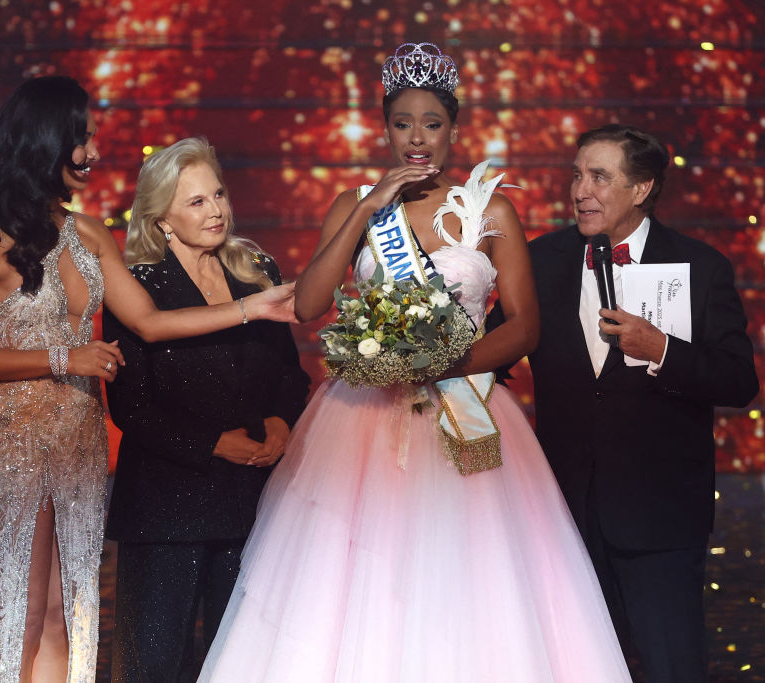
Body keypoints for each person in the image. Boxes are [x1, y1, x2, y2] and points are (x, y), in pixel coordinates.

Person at [198, 43, 633, 682]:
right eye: (403, 124)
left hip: (466, 408)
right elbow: (312, 303)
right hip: (360, 421)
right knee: (358, 573)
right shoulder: (356, 204)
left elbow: (525, 326)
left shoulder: (491, 210)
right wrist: (368, 210)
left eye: (431, 123)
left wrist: (440, 364)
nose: (417, 138)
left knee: (468, 577)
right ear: (385, 128)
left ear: (453, 130)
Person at [0, 77, 295, 683]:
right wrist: (62, 358)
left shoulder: (90, 233)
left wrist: (247, 309)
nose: (93, 152)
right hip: (9, 441)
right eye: (82, 138)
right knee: (18, 615)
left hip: (77, 440)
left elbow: (151, 323)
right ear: (46, 141)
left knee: (67, 616)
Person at [518, 124, 758, 682]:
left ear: (642, 188)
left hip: (660, 517)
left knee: (672, 667)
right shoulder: (539, 260)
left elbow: (739, 380)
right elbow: (499, 352)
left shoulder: (702, 266)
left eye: (599, 177)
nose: (580, 190)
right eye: (576, 174)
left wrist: (663, 351)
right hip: (561, 516)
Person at [102, 138, 310, 683]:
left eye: (217, 193)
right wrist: (212, 442)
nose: (216, 209)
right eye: (196, 201)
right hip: (168, 506)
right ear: (161, 216)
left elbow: (290, 372)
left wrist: (282, 422)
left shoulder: (256, 267)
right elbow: (131, 404)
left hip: (252, 502)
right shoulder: (137, 286)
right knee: (153, 668)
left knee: (243, 664)